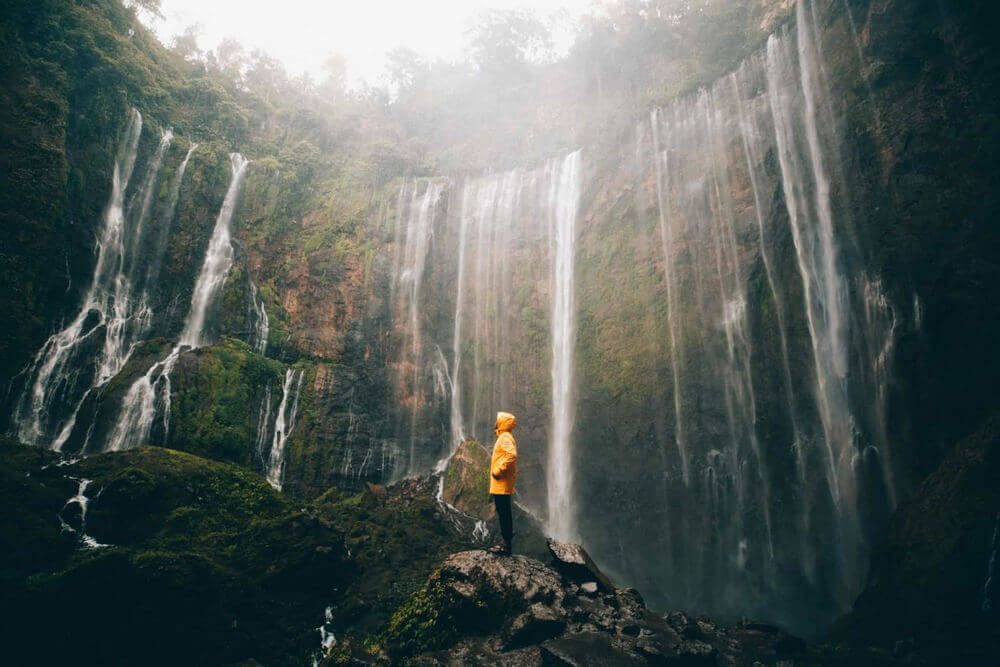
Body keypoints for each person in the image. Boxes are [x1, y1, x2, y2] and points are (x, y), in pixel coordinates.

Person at [488, 411, 518, 556]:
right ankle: (506, 541)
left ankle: (506, 545)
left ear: (502, 423)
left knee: (504, 513)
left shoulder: (505, 437)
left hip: (502, 483)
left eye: (497, 420)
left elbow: (511, 455)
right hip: (501, 484)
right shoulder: (504, 436)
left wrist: (498, 470)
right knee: (503, 512)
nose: (495, 422)